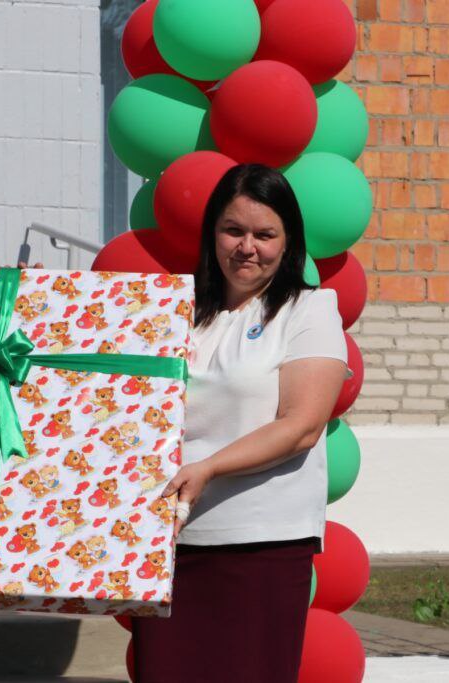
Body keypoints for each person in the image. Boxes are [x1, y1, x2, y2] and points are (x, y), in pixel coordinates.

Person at [131, 164, 349, 683]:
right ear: (212, 234)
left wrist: (208, 468)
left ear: (288, 241)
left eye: (264, 234)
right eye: (233, 230)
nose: (247, 246)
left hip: (262, 547)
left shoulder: (309, 311)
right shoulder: (174, 313)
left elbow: (301, 425)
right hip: (169, 544)